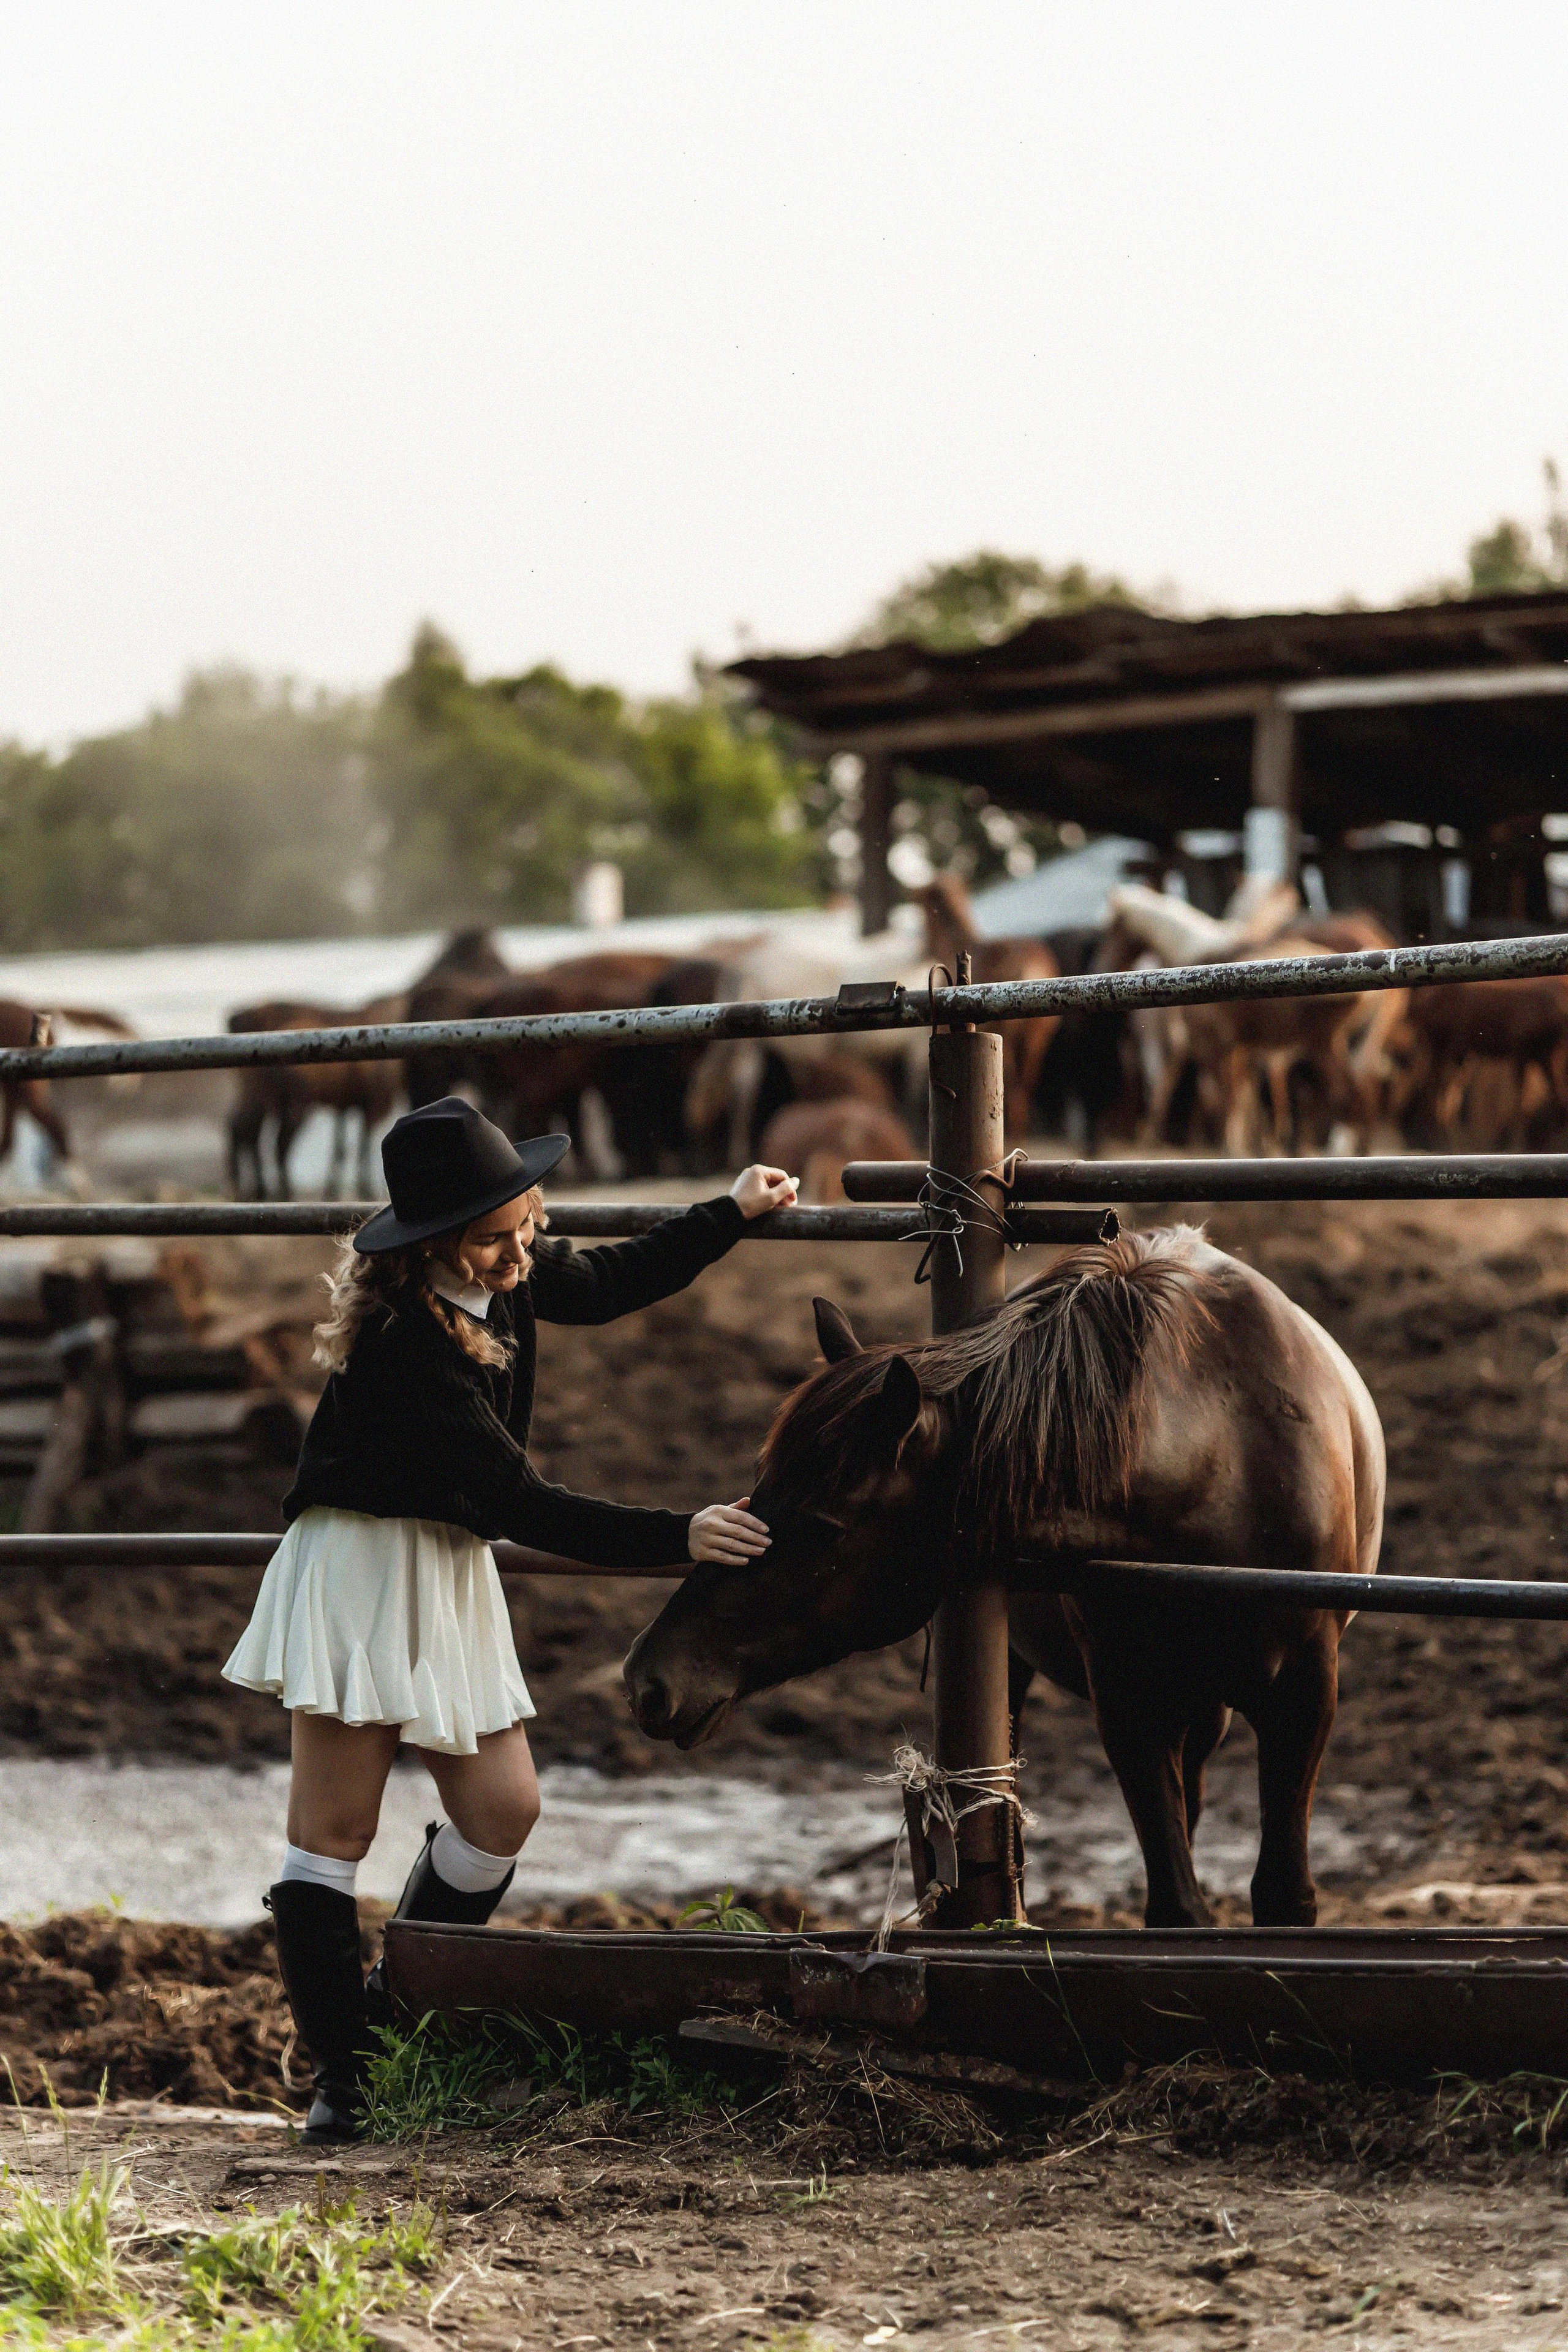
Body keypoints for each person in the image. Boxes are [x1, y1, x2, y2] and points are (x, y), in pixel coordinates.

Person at [224, 1095, 796, 2140]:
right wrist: (685, 1534)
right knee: (334, 1835)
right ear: (434, 1244)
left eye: (527, 1225)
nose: (520, 1253)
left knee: (502, 1815)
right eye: (494, 1241)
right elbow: (522, 1501)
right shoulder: (406, 1344)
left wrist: (728, 1211)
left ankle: (398, 2015)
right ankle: (346, 2086)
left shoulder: (516, 1271)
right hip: (360, 1564)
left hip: (447, 1564)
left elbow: (614, 1279)